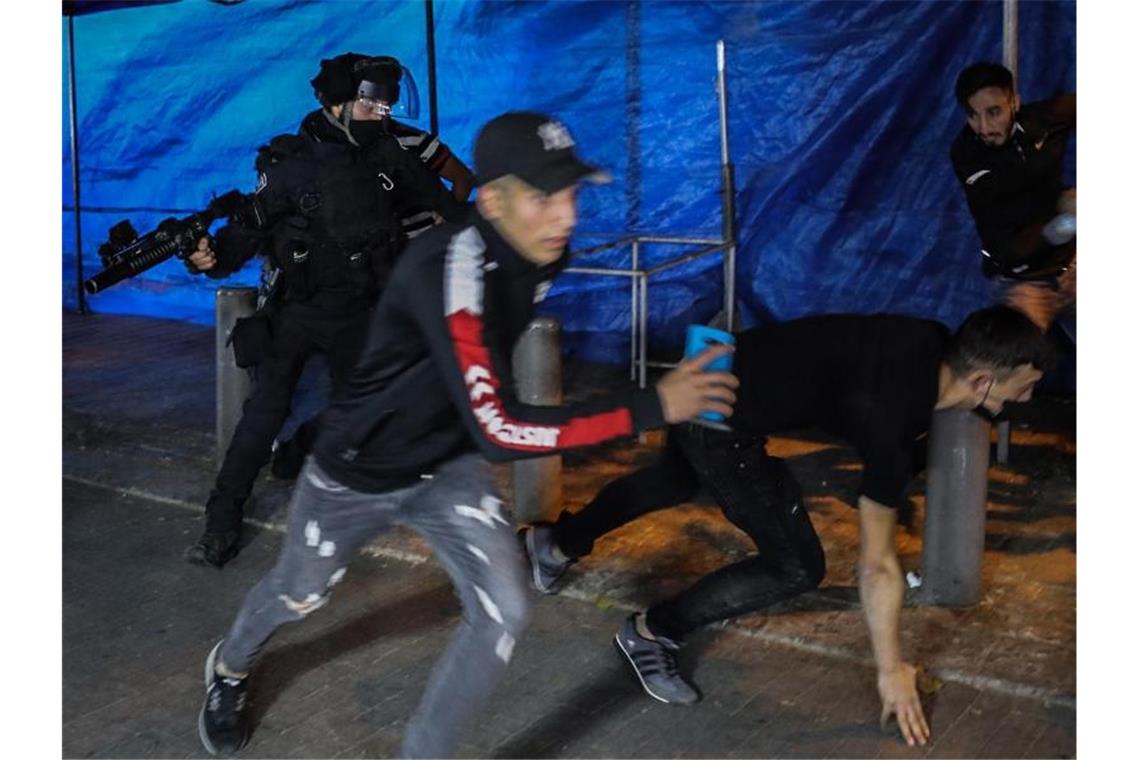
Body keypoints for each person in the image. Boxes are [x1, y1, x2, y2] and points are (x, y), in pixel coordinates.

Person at [195, 111, 739, 758]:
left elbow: (482, 402)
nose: (566, 215)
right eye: (545, 197)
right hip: (357, 469)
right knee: (298, 592)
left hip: (447, 463)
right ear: (493, 199)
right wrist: (654, 405)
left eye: (571, 193)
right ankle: (229, 667)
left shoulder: (542, 252)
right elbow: (501, 428)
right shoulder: (446, 270)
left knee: (504, 608)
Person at [520, 305, 1053, 748]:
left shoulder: (930, 338)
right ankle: (651, 632)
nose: (1026, 401)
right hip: (723, 419)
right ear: (981, 381)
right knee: (795, 564)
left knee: (670, 481)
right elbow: (877, 563)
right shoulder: (890, 422)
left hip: (713, 366)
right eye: (1022, 389)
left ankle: (554, 542)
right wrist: (892, 669)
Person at [184, 53, 469, 568]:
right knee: (262, 416)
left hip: (362, 310)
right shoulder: (291, 164)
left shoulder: (390, 154)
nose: (381, 114)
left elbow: (447, 206)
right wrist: (209, 259)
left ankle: (297, 451)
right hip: (298, 310)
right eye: (369, 104)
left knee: (359, 413)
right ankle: (221, 518)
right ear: (335, 104)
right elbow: (240, 237)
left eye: (385, 104)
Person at [950, 62, 1076, 331]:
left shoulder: (1043, 120)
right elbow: (1010, 242)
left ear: (1014, 103)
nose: (984, 127)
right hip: (1023, 282)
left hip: (1072, 267)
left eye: (994, 112)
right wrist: (1068, 219)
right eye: (973, 115)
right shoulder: (967, 156)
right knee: (1013, 363)